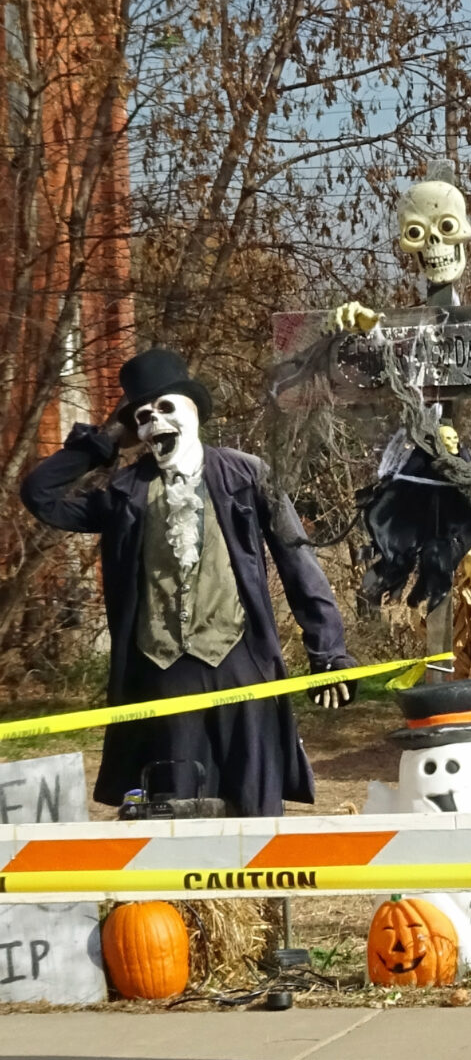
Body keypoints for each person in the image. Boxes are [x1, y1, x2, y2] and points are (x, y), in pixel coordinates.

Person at [20, 349, 356, 816]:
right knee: (176, 809)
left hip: (241, 666)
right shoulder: (123, 493)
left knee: (253, 804)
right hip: (163, 676)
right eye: (142, 417)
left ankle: (264, 891)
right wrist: (104, 441)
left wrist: (329, 652)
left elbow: (297, 559)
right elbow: (40, 495)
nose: (155, 422)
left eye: (165, 408)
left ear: (194, 411)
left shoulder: (248, 474)